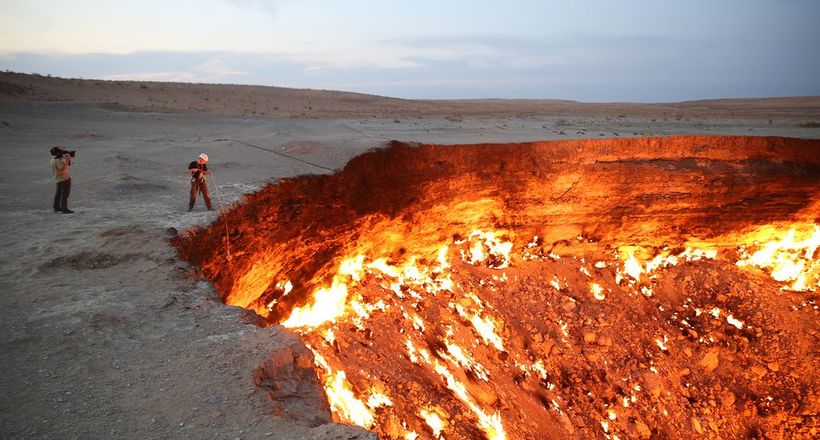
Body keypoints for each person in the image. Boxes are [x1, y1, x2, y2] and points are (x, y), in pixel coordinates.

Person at [50, 146, 74, 214]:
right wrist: (67, 160)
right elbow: (63, 169)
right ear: (57, 152)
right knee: (64, 195)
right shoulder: (58, 160)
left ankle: (56, 208)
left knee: (58, 194)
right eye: (60, 151)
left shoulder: (54, 159)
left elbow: (68, 164)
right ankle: (64, 209)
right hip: (63, 179)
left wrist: (68, 159)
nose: (62, 151)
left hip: (59, 179)